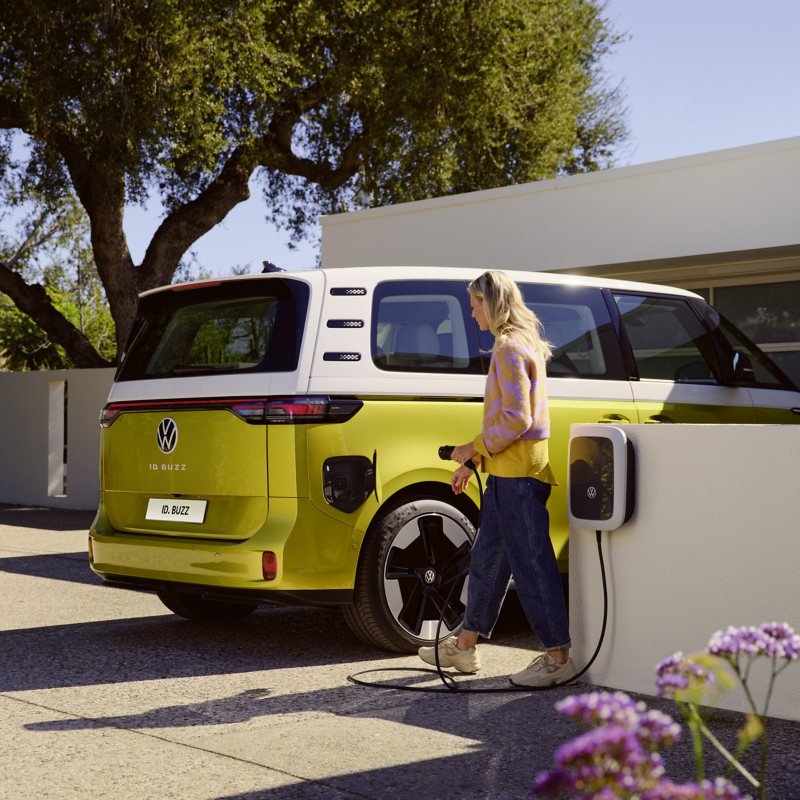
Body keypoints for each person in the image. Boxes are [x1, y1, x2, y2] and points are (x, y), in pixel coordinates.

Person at [418, 270, 576, 687]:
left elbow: (517, 418)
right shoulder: (523, 344)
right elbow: (517, 420)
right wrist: (474, 462)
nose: (470, 313)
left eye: (473, 304)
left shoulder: (507, 348)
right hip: (514, 474)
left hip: (517, 478)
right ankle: (465, 648)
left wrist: (472, 448)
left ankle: (558, 658)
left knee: (532, 566)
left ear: (491, 303)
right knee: (488, 560)